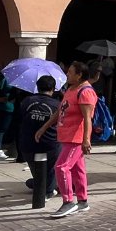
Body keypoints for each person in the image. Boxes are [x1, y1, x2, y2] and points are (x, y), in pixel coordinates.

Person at [41, 62, 95, 217]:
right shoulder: (71, 89)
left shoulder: (85, 92)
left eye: (70, 72)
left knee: (61, 167)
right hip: (67, 135)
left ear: (79, 75)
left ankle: (68, 201)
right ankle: (83, 201)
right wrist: (44, 128)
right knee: (78, 169)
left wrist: (86, 139)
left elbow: (87, 118)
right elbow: (60, 111)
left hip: (76, 138)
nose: (67, 74)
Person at [18, 74, 61, 199]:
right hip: (50, 143)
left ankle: (40, 185)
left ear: (37, 87)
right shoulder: (57, 105)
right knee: (51, 169)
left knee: (36, 169)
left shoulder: (27, 101)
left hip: (28, 143)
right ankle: (47, 191)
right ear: (53, 89)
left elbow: (20, 118)